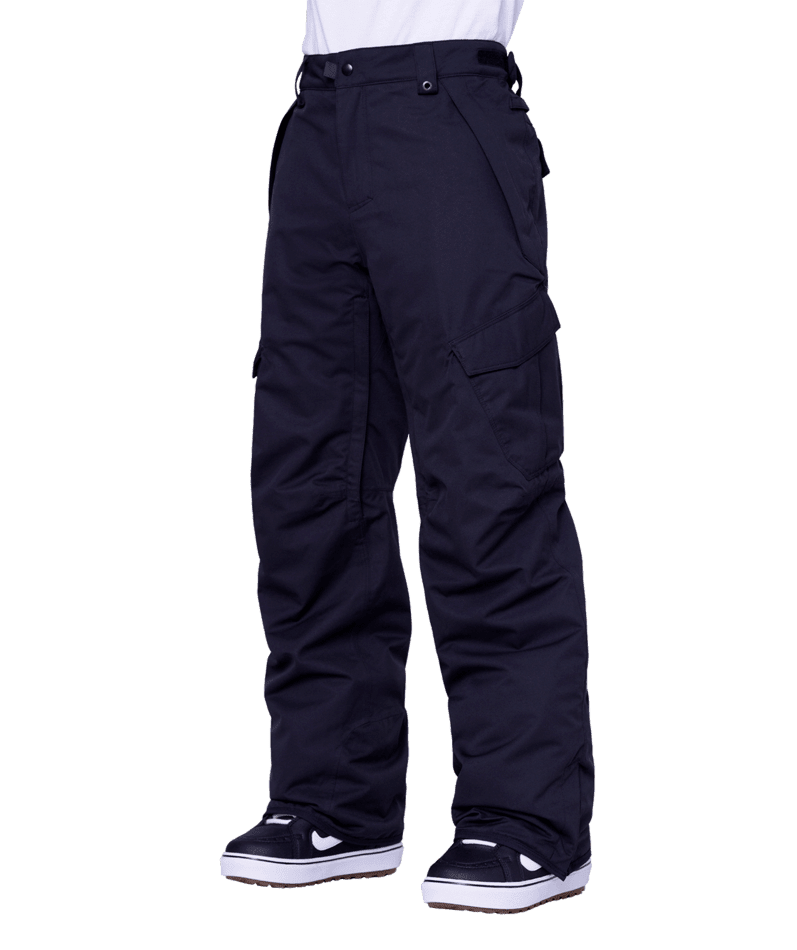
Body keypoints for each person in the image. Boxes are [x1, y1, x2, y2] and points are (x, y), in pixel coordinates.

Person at [219, 0, 595, 915]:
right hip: (317, 114)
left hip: (448, 106)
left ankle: (526, 821)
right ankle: (333, 802)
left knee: (487, 471)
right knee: (310, 474)